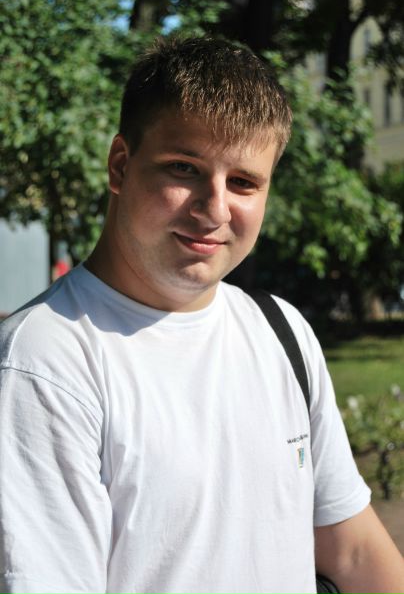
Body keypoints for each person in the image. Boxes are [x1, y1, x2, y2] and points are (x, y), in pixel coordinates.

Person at [0, 36, 403, 594]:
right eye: (184, 169)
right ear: (121, 165)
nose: (214, 209)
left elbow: (353, 551)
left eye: (243, 182)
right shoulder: (43, 363)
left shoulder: (281, 331)